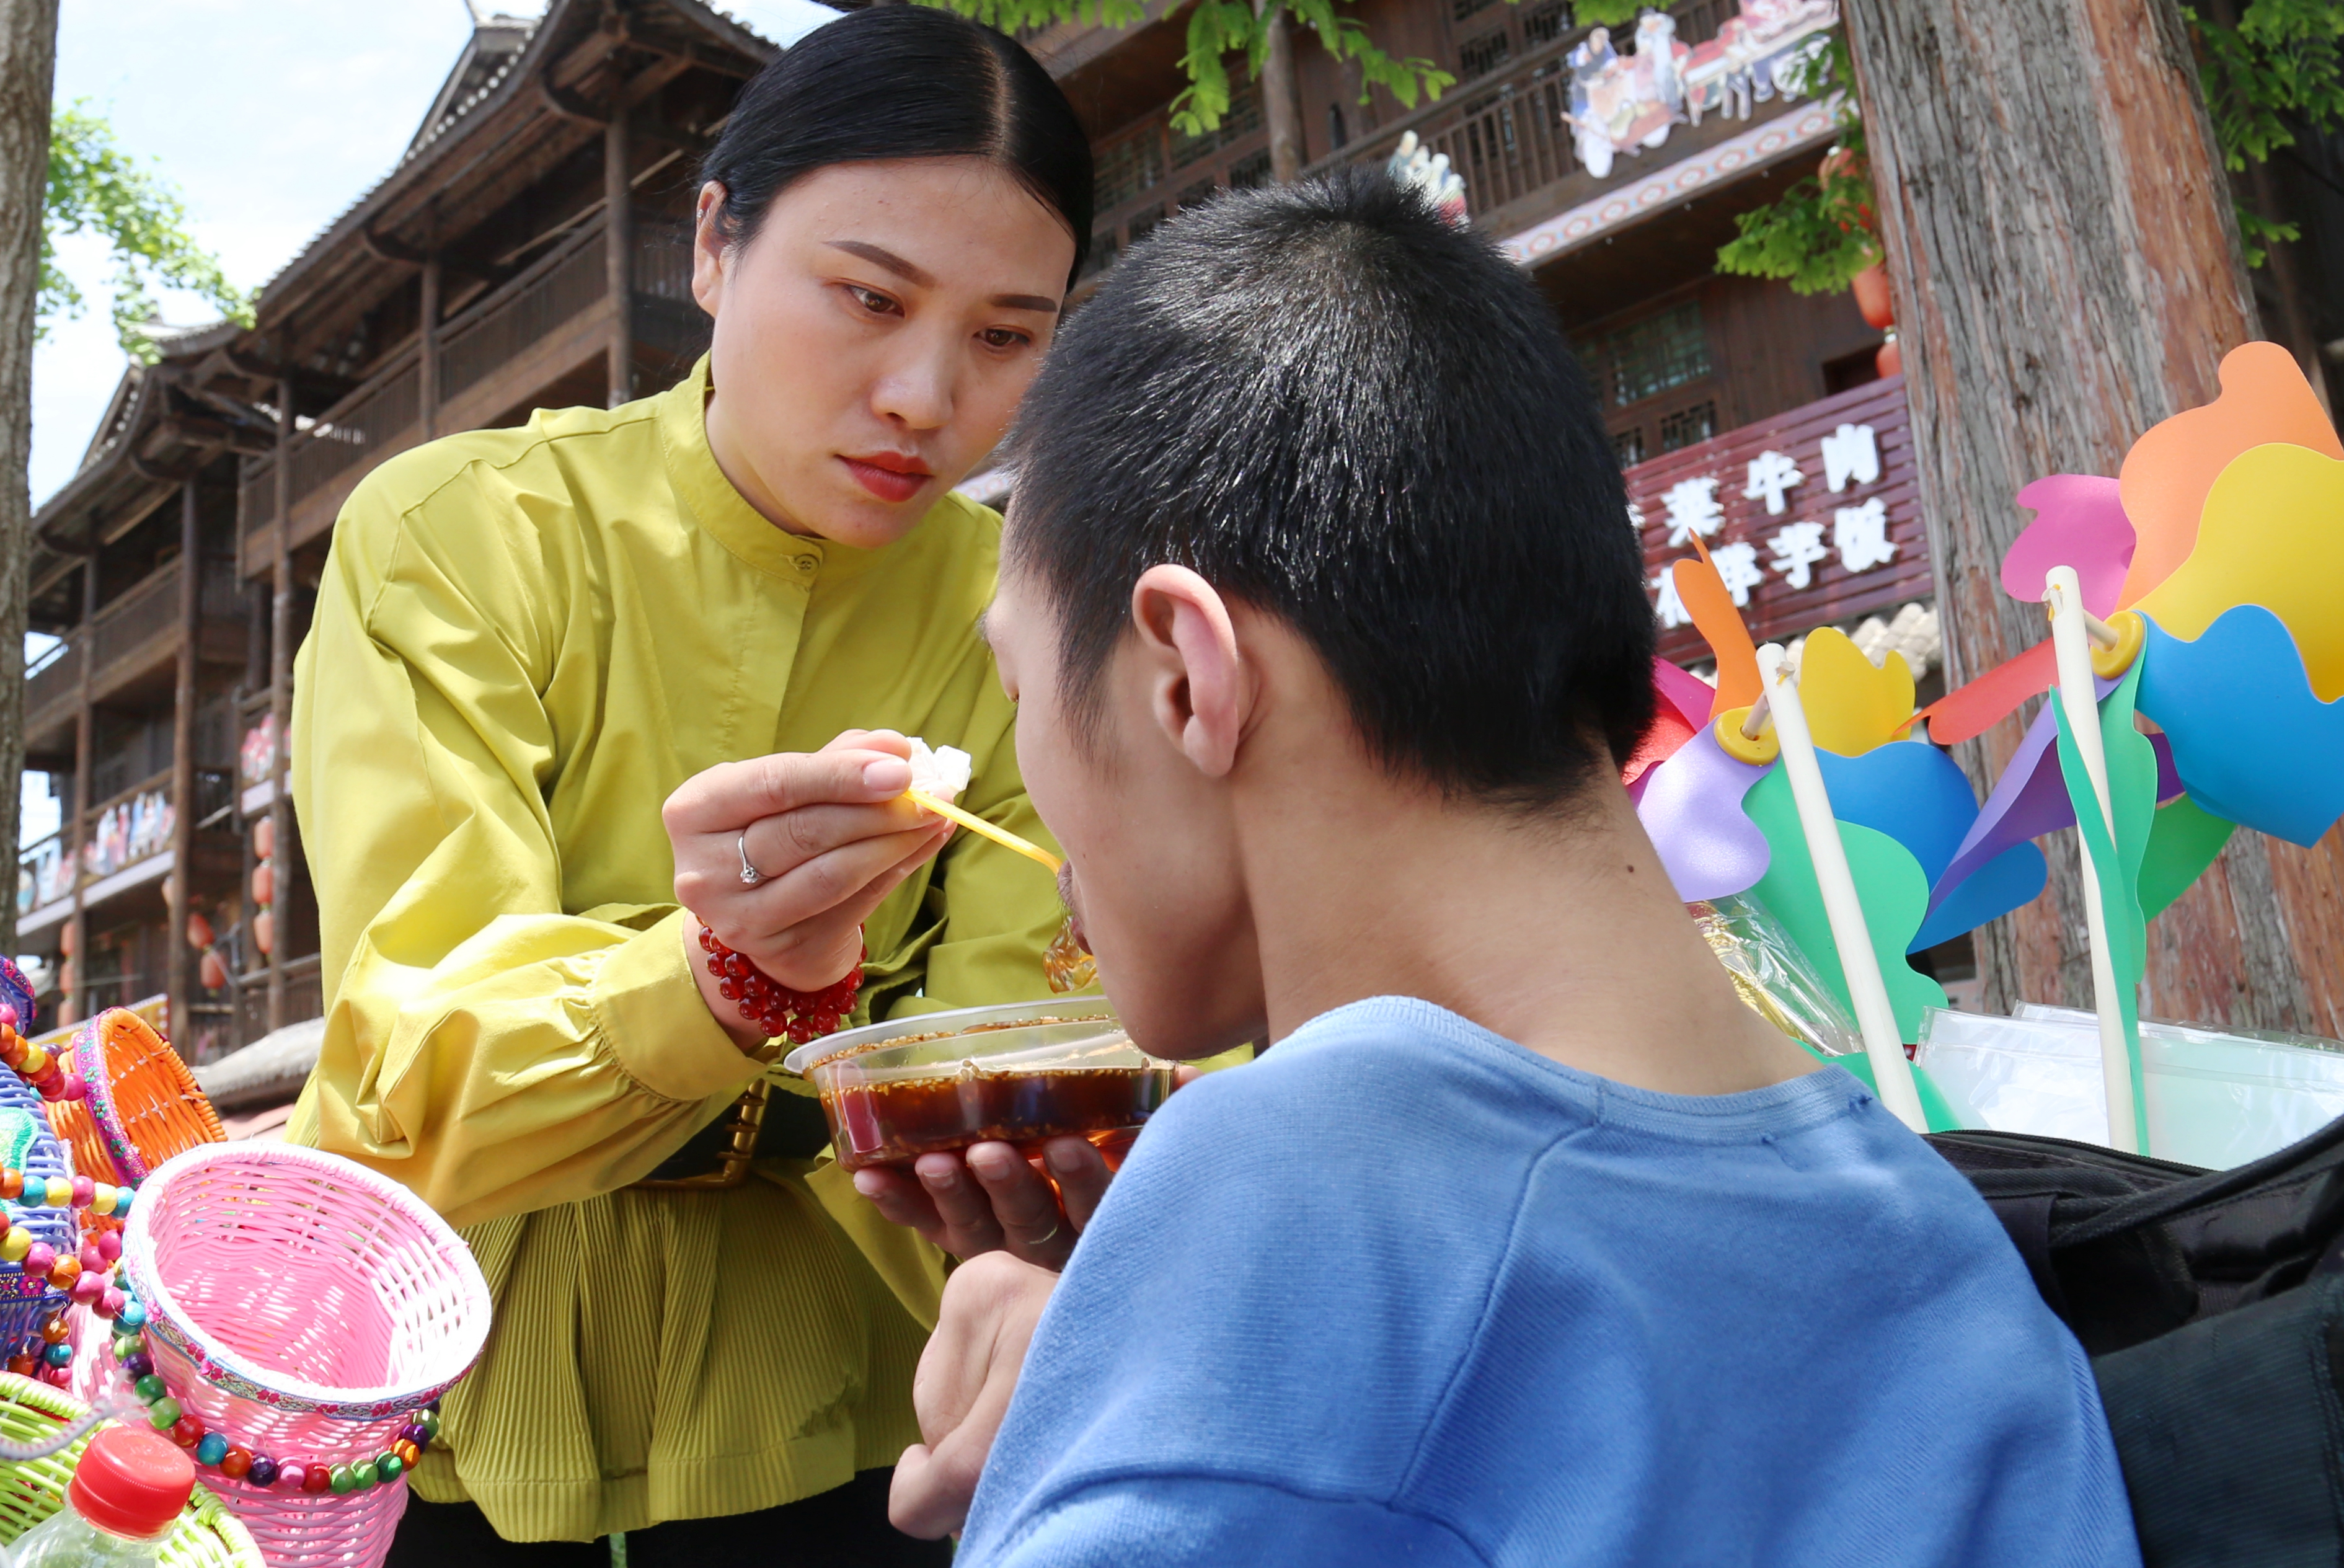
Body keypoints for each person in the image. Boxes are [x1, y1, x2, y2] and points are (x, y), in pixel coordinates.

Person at [888, 170, 2144, 1566]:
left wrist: (1151, 1396)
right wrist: (1130, 1362)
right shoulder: (1940, 1240)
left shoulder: (1290, 1178)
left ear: (1188, 675)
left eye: (1015, 688)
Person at [287, 10, 1109, 1564]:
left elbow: (1025, 1045)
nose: (926, 396)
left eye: (1007, 335)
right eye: (869, 296)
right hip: (464, 1391)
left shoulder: (1027, 612)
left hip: (878, 1399)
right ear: (714, 243)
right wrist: (726, 981)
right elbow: (405, 1059)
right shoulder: (464, 536)